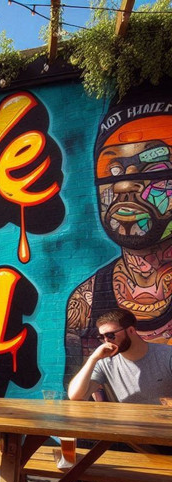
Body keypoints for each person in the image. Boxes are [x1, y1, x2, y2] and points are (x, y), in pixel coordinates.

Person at [65, 90, 172, 383]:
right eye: (113, 170)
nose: (124, 185)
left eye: (155, 168)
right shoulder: (85, 302)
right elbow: (79, 395)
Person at [68, 308, 172, 404]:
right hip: (126, 418)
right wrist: (93, 359)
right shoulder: (105, 362)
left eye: (110, 335)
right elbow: (75, 396)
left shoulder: (167, 355)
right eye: (101, 337)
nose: (106, 340)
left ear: (131, 331)